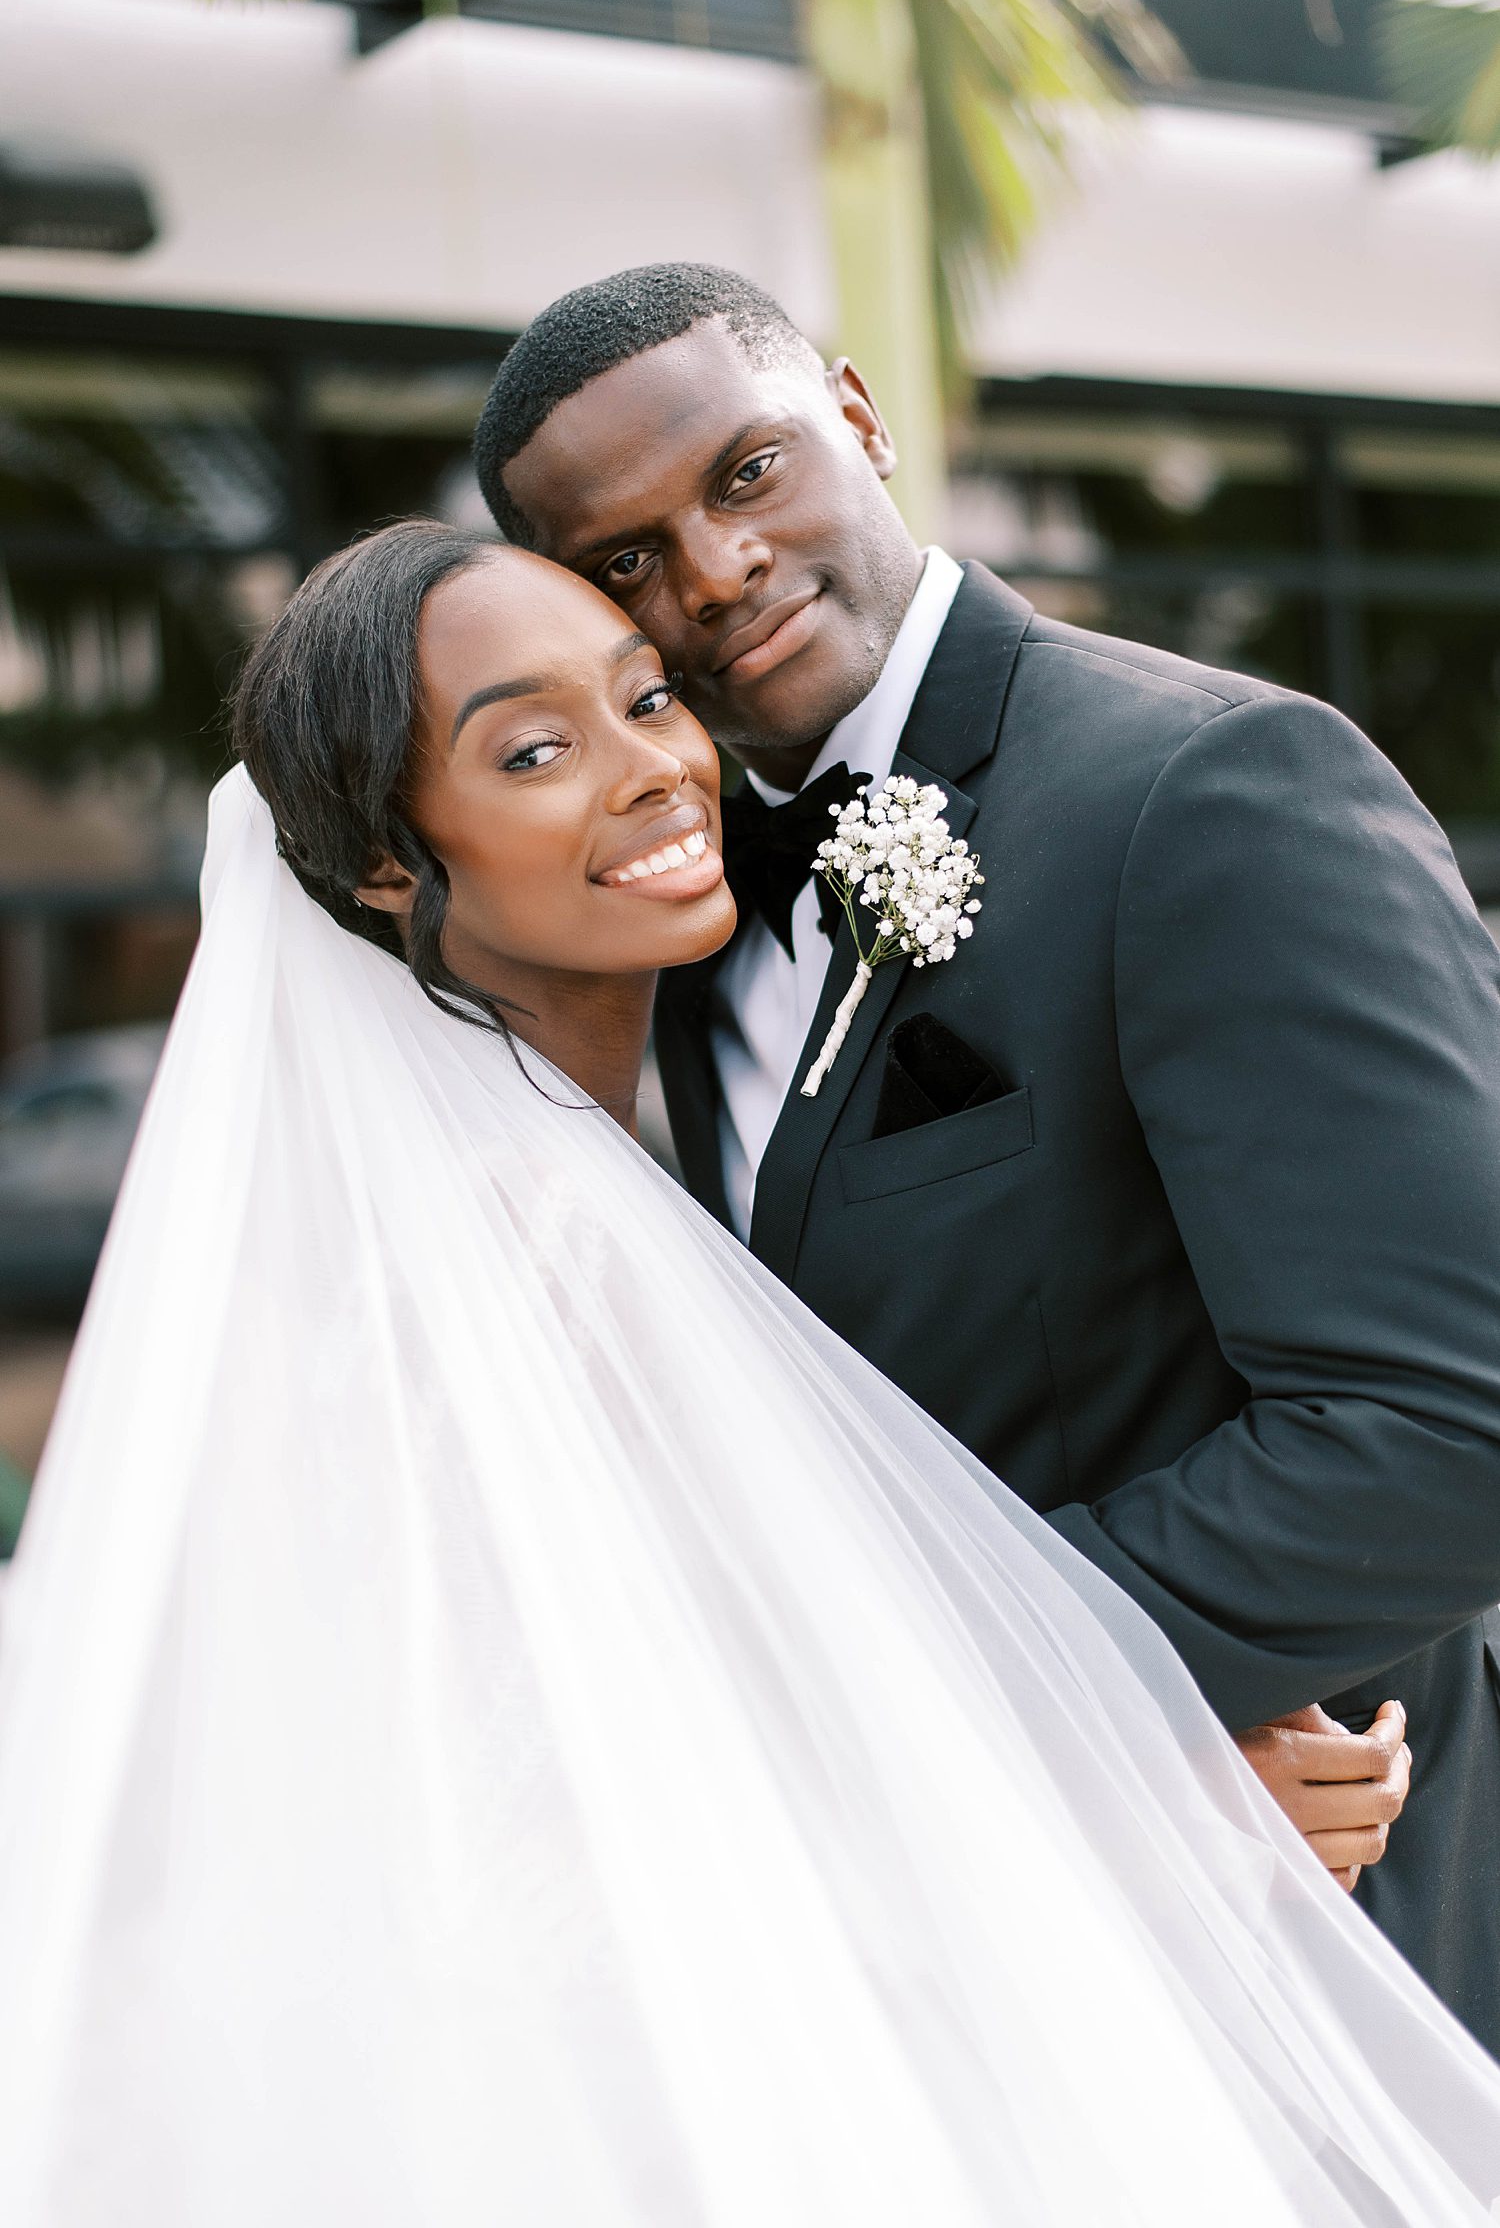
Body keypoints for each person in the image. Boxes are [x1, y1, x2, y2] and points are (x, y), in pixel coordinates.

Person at [1, 520, 1499, 2225]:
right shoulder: (527, 1253)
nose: (651, 770)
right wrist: (1131, 1793)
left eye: (647, 699)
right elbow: (524, 1870)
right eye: (537, 749)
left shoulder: (632, 1148)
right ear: (388, 870)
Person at [473, 263, 1500, 2051]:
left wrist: (1014, 1710)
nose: (712, 573)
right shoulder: (676, 905)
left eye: (743, 475)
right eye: (627, 560)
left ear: (858, 421)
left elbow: (1451, 1424)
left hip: (1299, 1938)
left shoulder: (1211, 789)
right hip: (961, 1981)